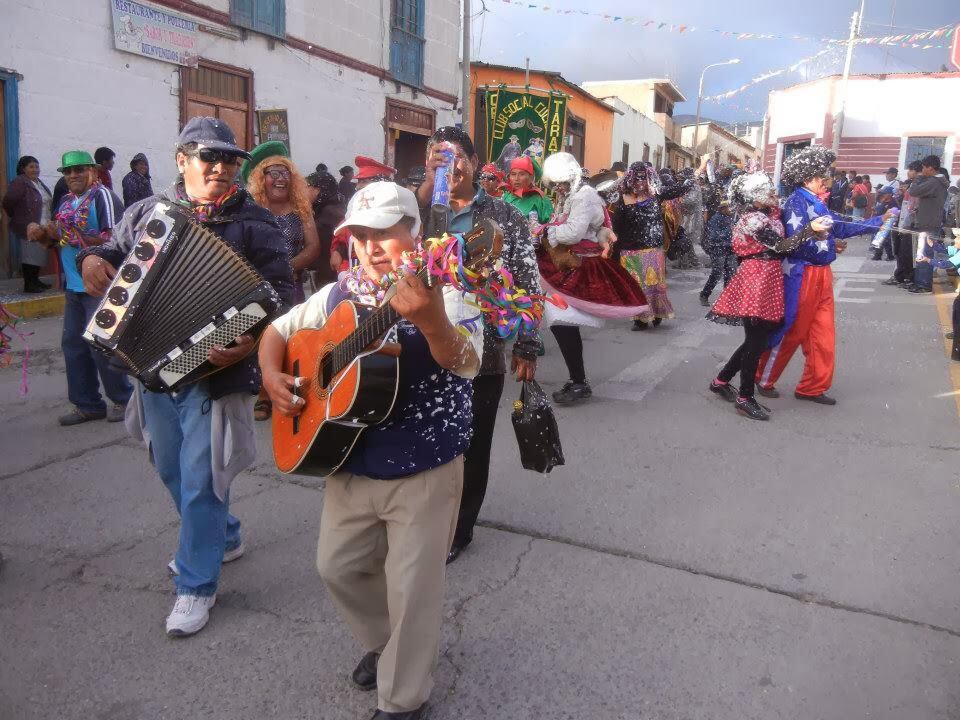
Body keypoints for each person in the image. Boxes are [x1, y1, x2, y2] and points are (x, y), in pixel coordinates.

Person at [260, 180, 482, 720]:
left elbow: (465, 358)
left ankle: (404, 697)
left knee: (413, 590)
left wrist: (429, 319)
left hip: (423, 464)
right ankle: (390, 645)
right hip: (349, 460)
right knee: (336, 567)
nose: (371, 246)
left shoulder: (448, 287)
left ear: (416, 232)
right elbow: (278, 330)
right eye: (360, 235)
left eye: (384, 232)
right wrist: (270, 374)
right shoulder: (339, 291)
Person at [78, 117, 294, 637]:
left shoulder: (257, 223)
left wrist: (248, 341)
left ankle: (196, 585)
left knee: (202, 480)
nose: (220, 168)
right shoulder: (145, 214)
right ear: (182, 160)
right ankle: (224, 536)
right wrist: (91, 259)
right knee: (172, 468)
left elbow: (285, 299)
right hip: (151, 370)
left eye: (229, 161)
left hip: (216, 377)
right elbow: (111, 255)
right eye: (207, 158)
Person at [414, 125, 541, 565]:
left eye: (452, 155)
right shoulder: (421, 210)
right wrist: (428, 193)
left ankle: (460, 527)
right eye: (436, 156)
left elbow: (527, 282)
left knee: (473, 442)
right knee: (427, 435)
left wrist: (528, 344)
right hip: (421, 347)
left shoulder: (505, 217)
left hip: (482, 351)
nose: (446, 163)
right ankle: (424, 517)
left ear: (471, 160)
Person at [756, 146, 891, 404]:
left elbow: (836, 228)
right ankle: (763, 377)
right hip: (802, 274)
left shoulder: (816, 201)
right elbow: (798, 241)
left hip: (822, 275)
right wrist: (830, 242)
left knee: (823, 333)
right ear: (808, 177)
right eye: (822, 175)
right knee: (792, 331)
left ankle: (812, 386)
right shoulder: (797, 201)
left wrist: (877, 222)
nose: (826, 180)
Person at [707, 170, 825, 420]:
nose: (774, 194)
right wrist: (810, 230)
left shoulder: (768, 214)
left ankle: (721, 381)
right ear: (755, 198)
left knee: (757, 339)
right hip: (756, 278)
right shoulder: (752, 219)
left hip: (768, 277)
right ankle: (745, 397)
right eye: (768, 192)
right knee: (756, 339)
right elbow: (781, 246)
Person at [535, 152, 649, 405]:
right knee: (561, 323)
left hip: (580, 266)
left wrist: (546, 232)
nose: (559, 188)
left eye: (562, 182)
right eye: (555, 184)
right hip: (569, 264)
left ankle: (578, 381)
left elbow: (573, 232)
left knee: (562, 322)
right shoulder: (571, 196)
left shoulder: (583, 196)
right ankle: (578, 380)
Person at [46, 150, 131, 426]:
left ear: (92, 171)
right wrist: (45, 233)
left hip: (99, 284)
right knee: (73, 345)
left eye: (79, 170)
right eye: (68, 172)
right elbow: (59, 238)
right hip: (74, 284)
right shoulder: (67, 201)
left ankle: (123, 399)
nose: (73, 176)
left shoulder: (102, 195)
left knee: (102, 344)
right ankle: (87, 404)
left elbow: (113, 239)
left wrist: (75, 236)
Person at [610, 161, 690, 330]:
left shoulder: (656, 194)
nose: (640, 182)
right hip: (631, 251)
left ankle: (657, 313)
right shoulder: (623, 199)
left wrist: (700, 169)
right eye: (637, 179)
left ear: (649, 178)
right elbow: (616, 225)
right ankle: (640, 319)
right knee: (637, 286)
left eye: (643, 178)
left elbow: (680, 189)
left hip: (653, 249)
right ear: (630, 179)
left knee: (654, 285)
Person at [2, 155, 53, 293]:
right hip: (29, 225)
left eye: (37, 166)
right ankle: (29, 284)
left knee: (39, 254)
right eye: (31, 167)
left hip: (43, 224)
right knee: (30, 255)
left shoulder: (38, 182)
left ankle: (35, 280)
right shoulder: (20, 182)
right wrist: (19, 216)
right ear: (23, 169)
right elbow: (8, 201)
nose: (35, 169)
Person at [905, 156, 950, 294]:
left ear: (930, 168)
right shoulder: (935, 181)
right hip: (929, 222)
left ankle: (924, 285)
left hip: (929, 224)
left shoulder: (934, 182)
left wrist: (918, 178)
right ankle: (920, 282)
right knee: (922, 252)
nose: (922, 170)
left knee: (925, 253)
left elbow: (913, 191)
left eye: (923, 168)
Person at [883, 160, 923, 288]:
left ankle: (907, 277)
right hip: (902, 221)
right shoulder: (911, 185)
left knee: (907, 253)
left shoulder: (919, 185)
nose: (908, 172)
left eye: (911, 170)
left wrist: (906, 222)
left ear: (918, 172)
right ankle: (900, 276)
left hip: (909, 224)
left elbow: (914, 206)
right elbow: (906, 204)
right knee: (900, 251)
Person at [699, 199, 737, 305]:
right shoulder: (716, 219)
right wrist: (729, 231)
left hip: (730, 249)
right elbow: (714, 236)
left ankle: (727, 298)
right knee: (717, 273)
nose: (732, 209)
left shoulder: (730, 218)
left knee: (730, 273)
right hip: (718, 249)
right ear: (723, 208)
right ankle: (704, 295)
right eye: (729, 207)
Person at [500, 155, 553, 224]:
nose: (516, 178)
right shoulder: (506, 196)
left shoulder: (541, 200)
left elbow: (551, 227)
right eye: (513, 174)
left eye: (522, 174)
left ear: (531, 177)